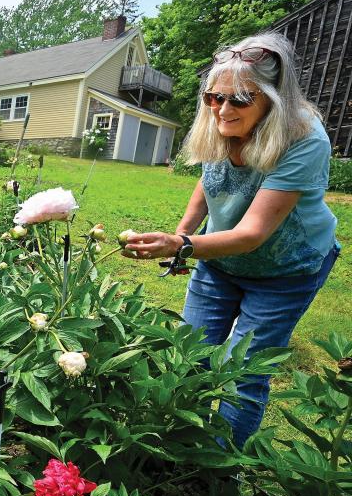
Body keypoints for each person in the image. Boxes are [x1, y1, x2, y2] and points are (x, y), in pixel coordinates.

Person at [123, 32, 339, 448]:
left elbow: (254, 233)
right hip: (219, 260)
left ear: (273, 99)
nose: (222, 109)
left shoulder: (304, 139)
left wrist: (181, 245)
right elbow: (210, 181)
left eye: (239, 99)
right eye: (214, 97)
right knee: (187, 357)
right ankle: (176, 452)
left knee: (243, 375)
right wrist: (184, 234)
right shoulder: (217, 120)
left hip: (286, 269)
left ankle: (217, 475)